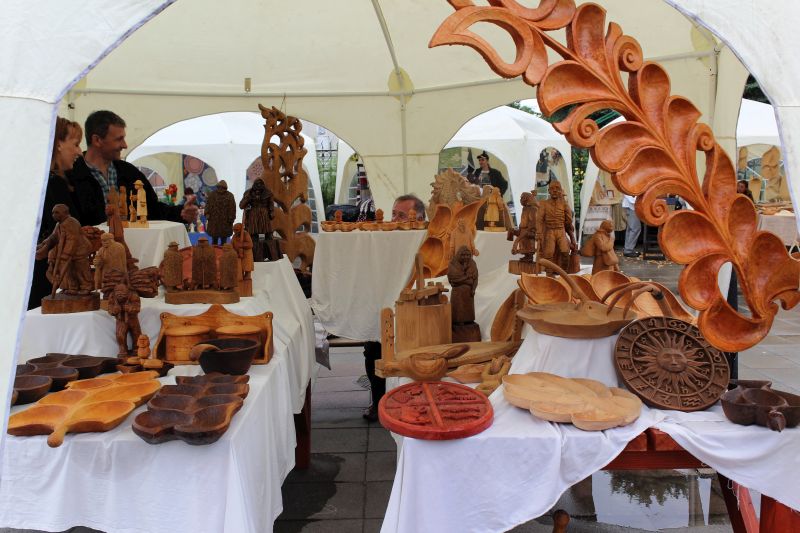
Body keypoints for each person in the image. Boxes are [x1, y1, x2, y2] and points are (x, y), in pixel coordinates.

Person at [69, 110, 194, 225]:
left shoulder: (130, 173)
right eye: (119, 139)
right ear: (97, 140)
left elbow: (153, 209)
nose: (125, 145)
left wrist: (181, 213)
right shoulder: (71, 176)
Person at [29, 117, 83, 309]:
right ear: (58, 143)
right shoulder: (54, 185)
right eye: (75, 144)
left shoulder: (36, 181)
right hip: (47, 277)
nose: (79, 151)